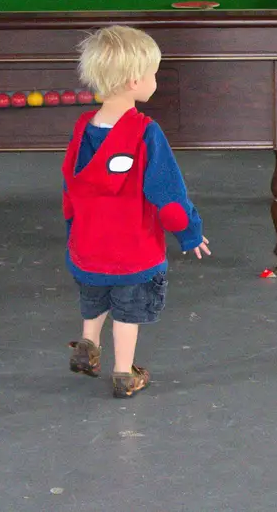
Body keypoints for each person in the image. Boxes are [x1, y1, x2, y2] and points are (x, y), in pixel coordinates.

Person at [62, 25, 210, 398]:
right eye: (153, 74)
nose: (154, 80)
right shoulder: (145, 132)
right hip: (133, 250)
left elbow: (71, 185)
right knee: (127, 312)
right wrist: (190, 233)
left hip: (88, 242)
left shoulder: (82, 129)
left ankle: (86, 346)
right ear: (133, 81)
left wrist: (72, 228)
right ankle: (124, 373)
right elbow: (168, 195)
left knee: (94, 297)